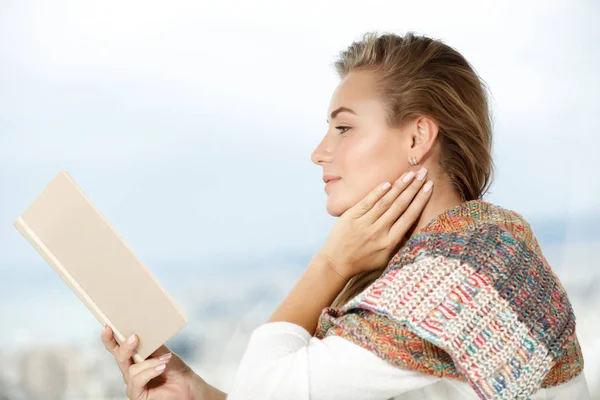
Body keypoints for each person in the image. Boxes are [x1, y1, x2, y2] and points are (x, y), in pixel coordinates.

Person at [100, 31, 591, 400]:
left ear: (418, 138)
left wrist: (330, 264)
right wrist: (198, 393)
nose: (319, 152)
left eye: (343, 128)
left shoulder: (455, 277)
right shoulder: (470, 253)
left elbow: (267, 390)